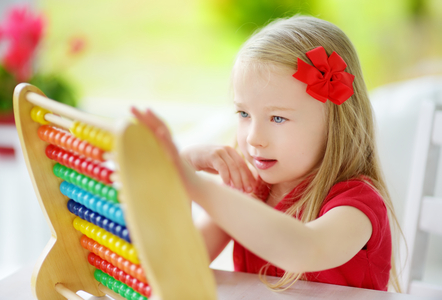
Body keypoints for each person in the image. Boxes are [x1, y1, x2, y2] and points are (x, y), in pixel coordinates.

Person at [131, 15, 401, 292]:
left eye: (277, 118)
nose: (253, 138)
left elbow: (306, 249)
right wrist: (184, 171)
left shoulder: (357, 205)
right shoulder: (250, 191)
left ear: (335, 124)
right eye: (244, 113)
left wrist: (200, 187)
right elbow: (181, 264)